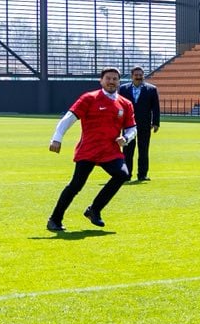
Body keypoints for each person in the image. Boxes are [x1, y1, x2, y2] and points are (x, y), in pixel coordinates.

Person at [46, 67, 137, 233]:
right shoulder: (89, 98)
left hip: (111, 151)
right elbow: (69, 117)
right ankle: (54, 219)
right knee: (76, 185)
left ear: (119, 82)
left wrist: (126, 138)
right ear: (101, 81)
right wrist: (57, 138)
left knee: (123, 174)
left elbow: (132, 128)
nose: (111, 81)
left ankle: (94, 209)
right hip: (89, 149)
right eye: (108, 78)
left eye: (115, 79)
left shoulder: (126, 104)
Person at [119, 66, 161, 180]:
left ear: (143, 75)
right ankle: (126, 174)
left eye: (140, 75)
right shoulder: (123, 89)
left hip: (145, 124)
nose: (138, 77)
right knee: (127, 150)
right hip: (128, 124)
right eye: (136, 75)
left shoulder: (151, 89)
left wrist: (156, 122)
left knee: (143, 150)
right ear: (132, 76)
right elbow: (119, 106)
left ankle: (142, 175)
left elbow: (155, 107)